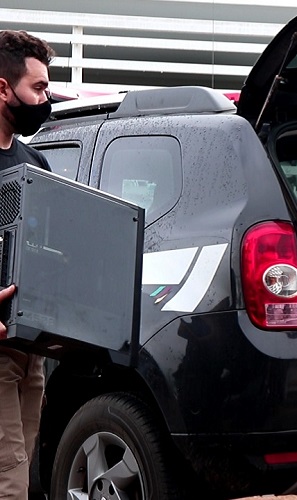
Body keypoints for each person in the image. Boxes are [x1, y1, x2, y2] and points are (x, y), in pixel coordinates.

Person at [0, 30, 54, 500]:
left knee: (21, 468)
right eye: (38, 88)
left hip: (31, 349)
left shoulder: (35, 162)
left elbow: (52, 249)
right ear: (3, 89)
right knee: (10, 481)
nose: (45, 100)